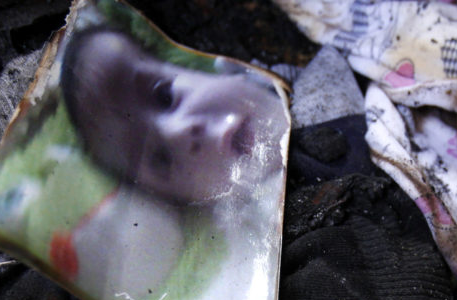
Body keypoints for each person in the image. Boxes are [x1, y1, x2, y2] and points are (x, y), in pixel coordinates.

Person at [60, 27, 288, 205]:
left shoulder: (270, 56)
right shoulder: (262, 218)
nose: (178, 131)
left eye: (164, 95)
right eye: (161, 158)